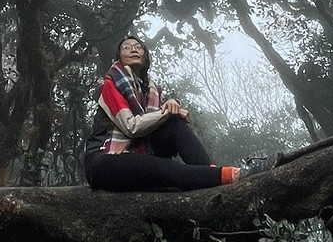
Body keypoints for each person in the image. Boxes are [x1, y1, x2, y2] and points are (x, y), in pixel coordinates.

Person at [83, 35, 266, 192]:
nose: (134, 50)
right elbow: (132, 126)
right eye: (127, 48)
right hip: (103, 161)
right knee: (165, 167)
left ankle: (211, 173)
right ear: (119, 57)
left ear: (146, 58)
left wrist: (172, 105)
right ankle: (234, 174)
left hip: (136, 153)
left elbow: (156, 120)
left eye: (139, 47)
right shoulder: (111, 83)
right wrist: (168, 112)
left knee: (175, 126)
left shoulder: (149, 90)